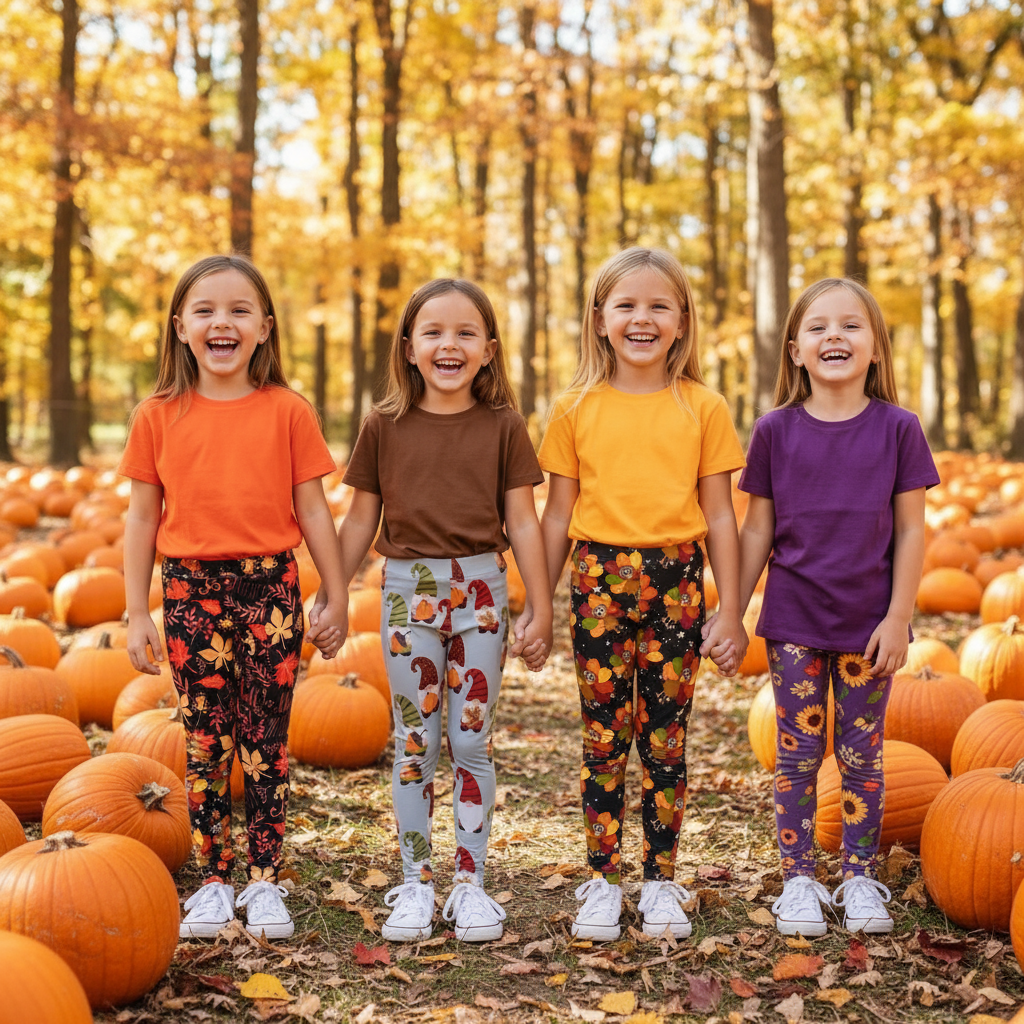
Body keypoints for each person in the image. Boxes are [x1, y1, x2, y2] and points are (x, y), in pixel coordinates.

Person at [313, 278, 551, 944]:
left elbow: (524, 523)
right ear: (410, 348)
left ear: (489, 349)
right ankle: (417, 882)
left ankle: (470, 885)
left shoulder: (502, 425)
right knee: (416, 742)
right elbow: (360, 520)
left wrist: (541, 608)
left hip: (482, 595)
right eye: (435, 332)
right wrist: (335, 592)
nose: (450, 343)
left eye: (466, 333)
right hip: (406, 596)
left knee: (471, 741)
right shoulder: (383, 424)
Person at [121, 254, 347, 942]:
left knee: (265, 739)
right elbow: (140, 518)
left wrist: (335, 593)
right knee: (205, 738)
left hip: (269, 586)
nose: (223, 322)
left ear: (264, 328)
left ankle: (264, 877)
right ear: (182, 327)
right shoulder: (157, 415)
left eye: (240, 310)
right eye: (207, 310)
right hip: (190, 587)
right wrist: (137, 609)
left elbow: (312, 511)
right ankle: (216, 878)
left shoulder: (287, 410)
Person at [537, 247, 747, 941]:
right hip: (598, 582)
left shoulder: (703, 407)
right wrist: (537, 606)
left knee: (665, 740)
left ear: (682, 321)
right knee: (603, 739)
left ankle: (660, 880)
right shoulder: (574, 409)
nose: (642, 318)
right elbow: (557, 518)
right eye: (626, 305)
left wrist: (732, 607)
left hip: (677, 586)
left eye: (659, 306)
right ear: (600, 320)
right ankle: (602, 879)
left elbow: (720, 514)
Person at [734, 277, 938, 937]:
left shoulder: (899, 430)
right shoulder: (775, 431)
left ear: (876, 347)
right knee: (795, 756)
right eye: (819, 327)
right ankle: (799, 880)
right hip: (793, 623)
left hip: (866, 626)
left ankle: (857, 877)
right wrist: (730, 609)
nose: (835, 337)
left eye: (851, 326)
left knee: (862, 755)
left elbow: (911, 530)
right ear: (794, 350)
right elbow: (757, 531)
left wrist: (898, 616)